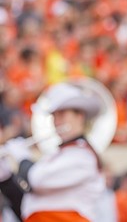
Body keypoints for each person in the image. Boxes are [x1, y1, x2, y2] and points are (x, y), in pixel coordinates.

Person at [0, 81, 106, 222]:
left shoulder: (83, 156)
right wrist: (6, 179)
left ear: (79, 116)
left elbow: (35, 179)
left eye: (62, 114)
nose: (56, 122)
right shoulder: (56, 156)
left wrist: (22, 158)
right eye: (54, 116)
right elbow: (27, 206)